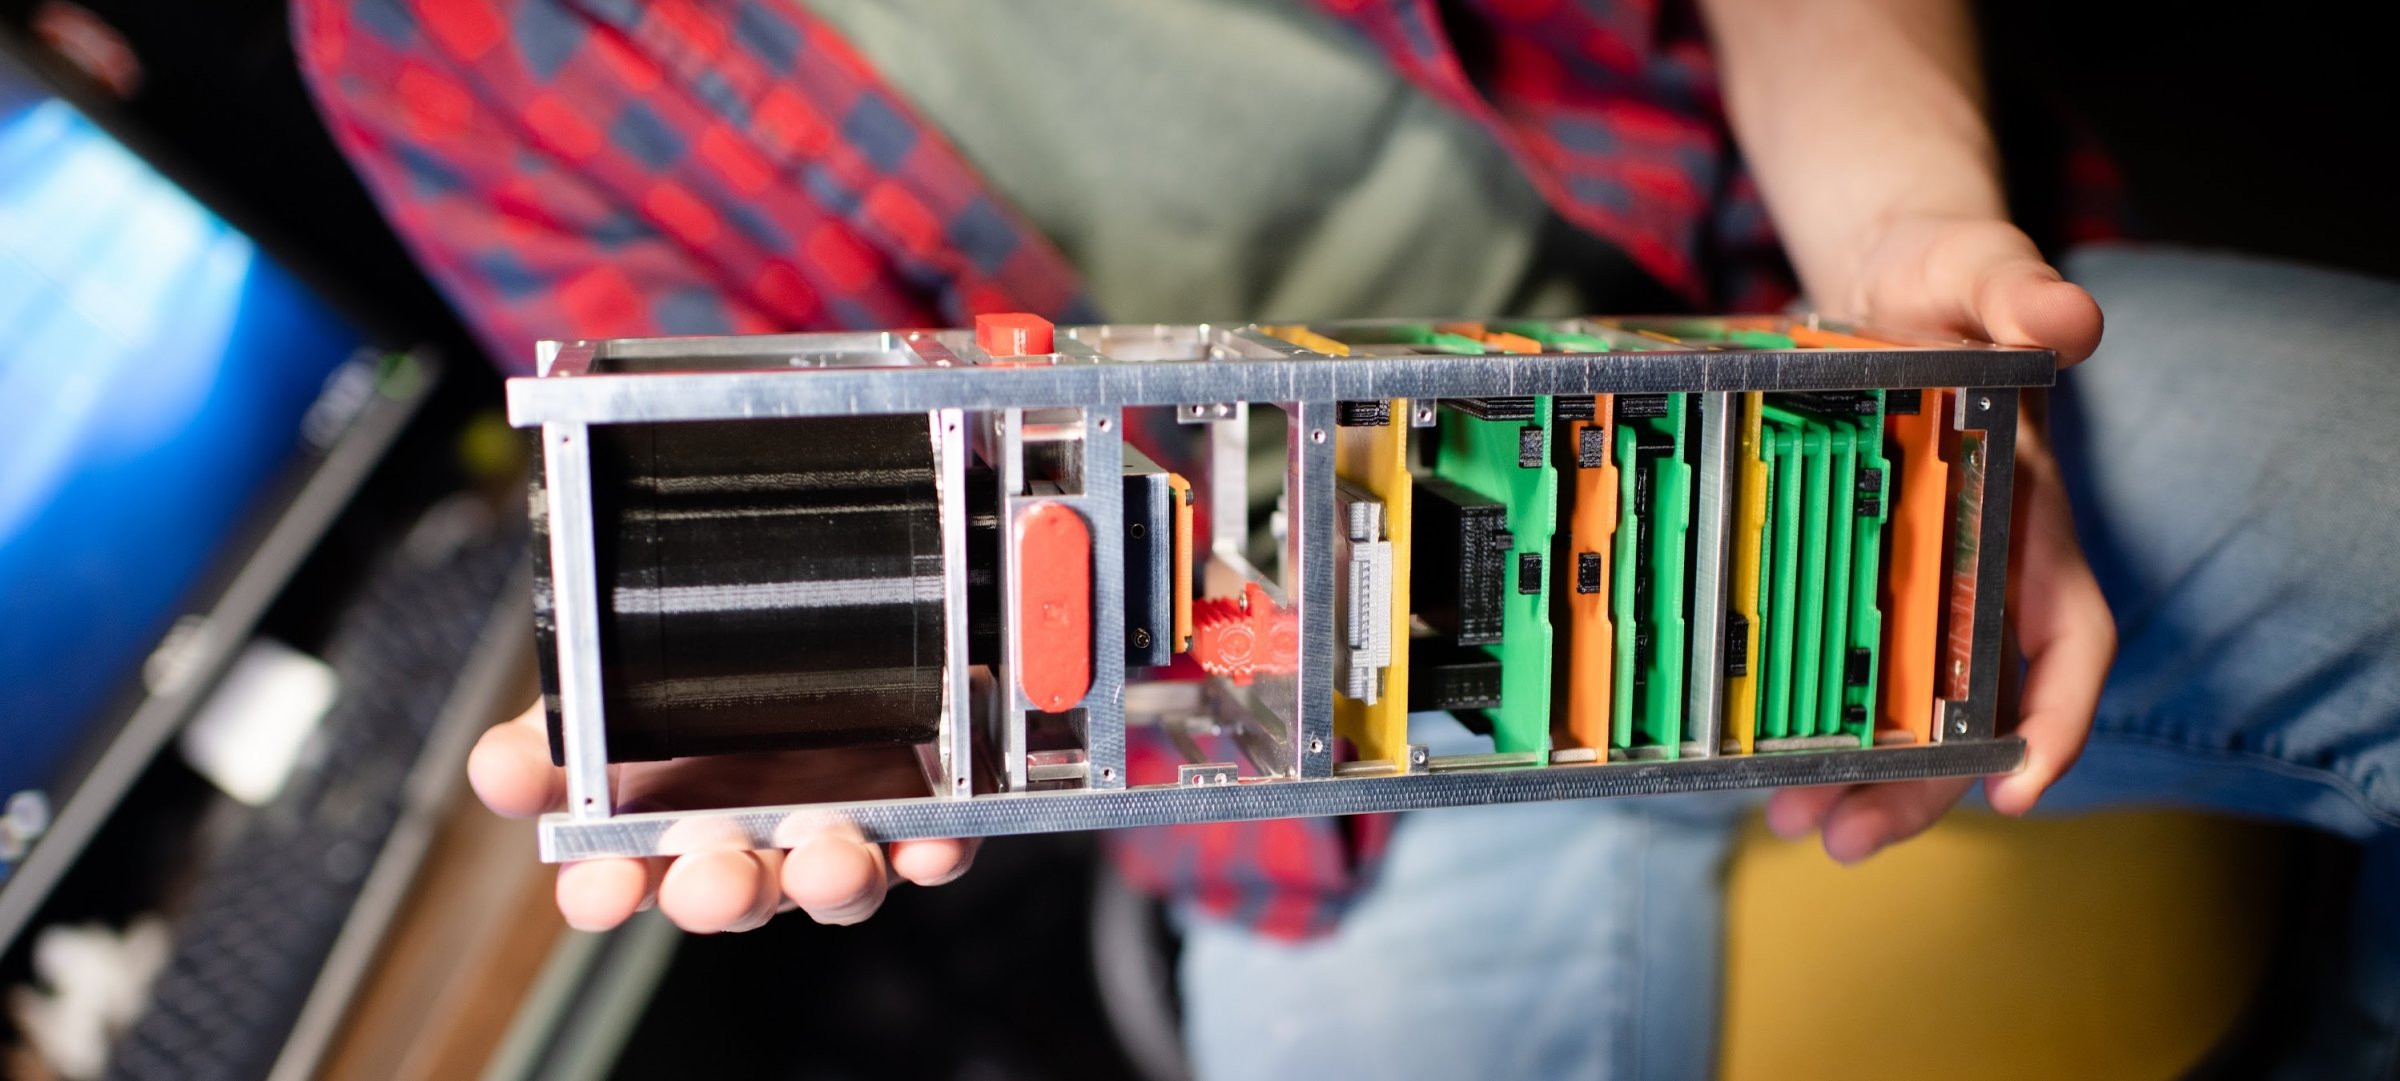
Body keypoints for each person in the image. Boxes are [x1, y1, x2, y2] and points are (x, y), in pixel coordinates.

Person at [291, 0, 2399, 1075]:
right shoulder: (413, 42)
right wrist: (842, 705)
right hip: (1303, 761)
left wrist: (1905, 241)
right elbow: (708, 455)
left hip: (1806, 386)